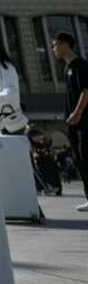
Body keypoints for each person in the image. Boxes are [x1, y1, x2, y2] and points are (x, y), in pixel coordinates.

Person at [54, 32, 88, 213]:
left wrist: (77, 112)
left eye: (55, 45)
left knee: (85, 158)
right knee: (80, 160)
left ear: (65, 44)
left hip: (84, 122)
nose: (53, 49)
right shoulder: (67, 68)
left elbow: (86, 90)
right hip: (74, 123)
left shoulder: (80, 65)